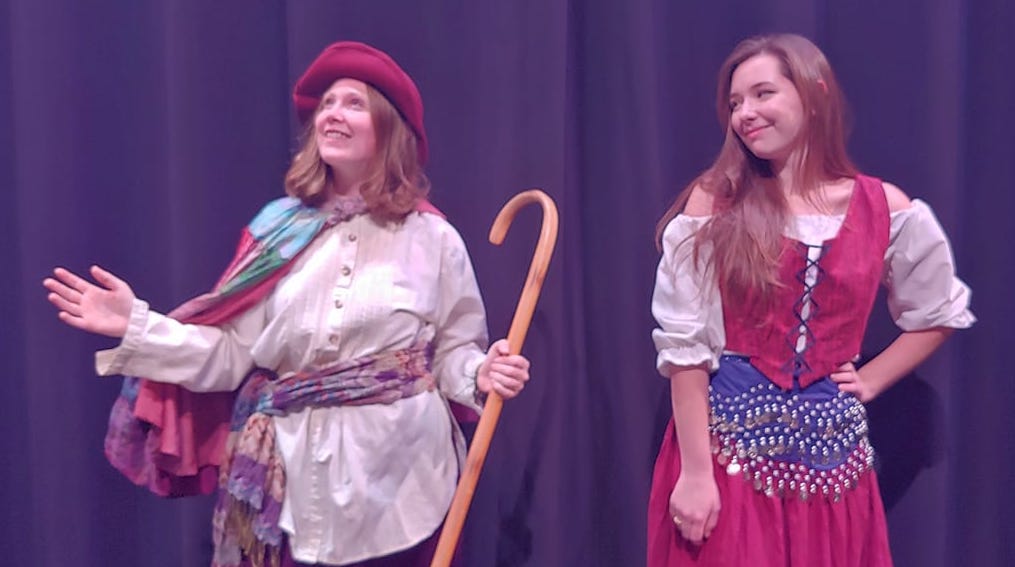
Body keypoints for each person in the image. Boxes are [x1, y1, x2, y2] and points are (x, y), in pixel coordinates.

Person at [42, 41, 530, 567]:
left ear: (389, 129)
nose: (332, 114)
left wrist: (480, 372)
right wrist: (137, 324)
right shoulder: (278, 231)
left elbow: (453, 351)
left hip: (402, 483)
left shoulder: (432, 238)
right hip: (293, 485)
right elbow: (229, 354)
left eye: (353, 103)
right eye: (327, 104)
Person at [646, 34, 974, 566]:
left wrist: (871, 378)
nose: (745, 113)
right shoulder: (718, 201)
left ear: (815, 93)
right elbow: (685, 347)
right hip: (729, 459)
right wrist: (697, 474)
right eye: (735, 103)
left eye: (763, 94)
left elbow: (940, 311)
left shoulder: (882, 206)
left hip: (833, 468)